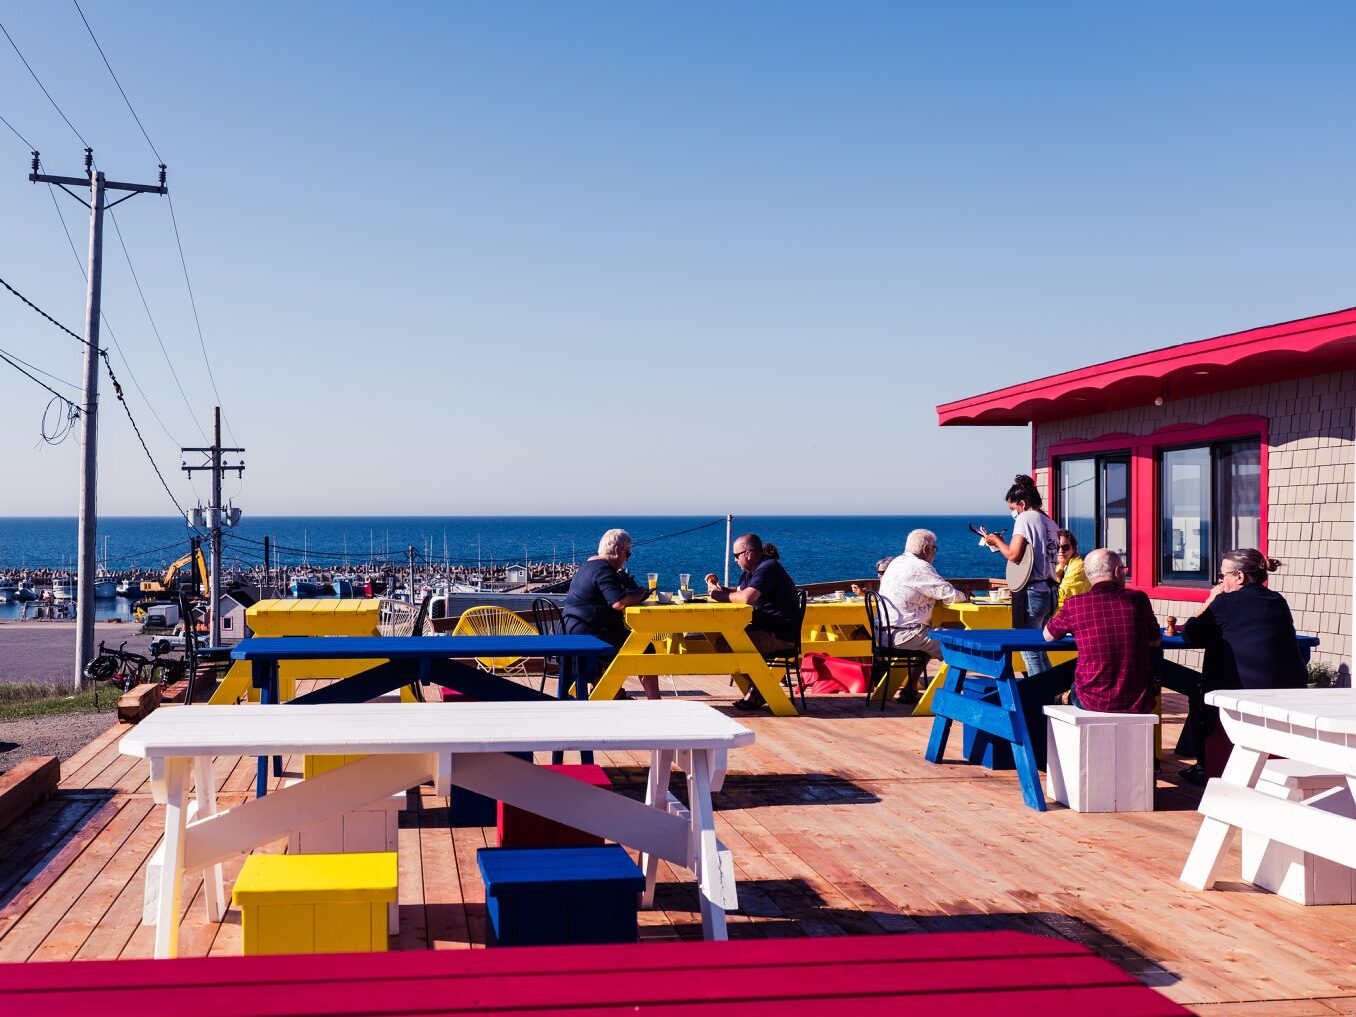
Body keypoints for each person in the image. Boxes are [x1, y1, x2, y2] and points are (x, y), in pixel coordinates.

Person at [1179, 548, 1305, 782]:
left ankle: (1204, 766)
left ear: (1239, 577)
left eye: (1222, 575)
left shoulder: (1225, 603)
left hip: (1243, 690)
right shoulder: (1278, 600)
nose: (1220, 581)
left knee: (1198, 695)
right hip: (1287, 688)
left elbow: (1191, 634)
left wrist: (1209, 600)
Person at [1042, 549, 1160, 713]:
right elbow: (1155, 640)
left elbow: (1048, 635)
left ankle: (1064, 698)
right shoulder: (1138, 599)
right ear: (1117, 571)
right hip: (1137, 700)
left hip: (1091, 699)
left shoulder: (1075, 604)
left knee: (1061, 681)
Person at [705, 533, 799, 711]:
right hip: (767, 629)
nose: (735, 560)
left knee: (729, 646)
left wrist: (719, 595)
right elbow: (738, 591)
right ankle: (760, 689)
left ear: (748, 554)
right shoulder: (753, 571)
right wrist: (717, 587)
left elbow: (747, 597)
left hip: (780, 635)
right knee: (722, 642)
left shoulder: (768, 568)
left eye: (736, 555)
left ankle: (762, 690)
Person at [980, 474, 1061, 675]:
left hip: (1032, 592)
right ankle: (1051, 693)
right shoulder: (1049, 522)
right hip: (1050, 592)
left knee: (1029, 651)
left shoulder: (1025, 518)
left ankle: (1039, 698)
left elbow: (1014, 555)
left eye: (1012, 508)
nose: (1013, 513)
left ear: (1022, 504)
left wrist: (996, 541)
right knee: (1040, 649)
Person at [562, 528, 657, 698]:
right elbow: (618, 603)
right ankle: (655, 700)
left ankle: (612, 693)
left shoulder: (588, 565)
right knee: (645, 647)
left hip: (572, 629)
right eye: (628, 554)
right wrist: (638, 595)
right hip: (591, 634)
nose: (626, 560)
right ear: (617, 551)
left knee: (621, 643)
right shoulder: (604, 569)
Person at [873, 529, 967, 701]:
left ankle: (909, 690)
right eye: (934, 548)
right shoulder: (920, 567)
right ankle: (948, 700)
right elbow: (949, 594)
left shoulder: (896, 563)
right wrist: (964, 594)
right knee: (961, 645)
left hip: (884, 634)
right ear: (926, 548)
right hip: (904, 635)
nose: (935, 552)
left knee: (932, 635)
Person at [1055, 529, 1091, 609]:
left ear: (1074, 549)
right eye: (1057, 547)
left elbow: (1063, 595)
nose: (1061, 550)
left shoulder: (1078, 567)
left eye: (1065, 547)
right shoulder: (1059, 568)